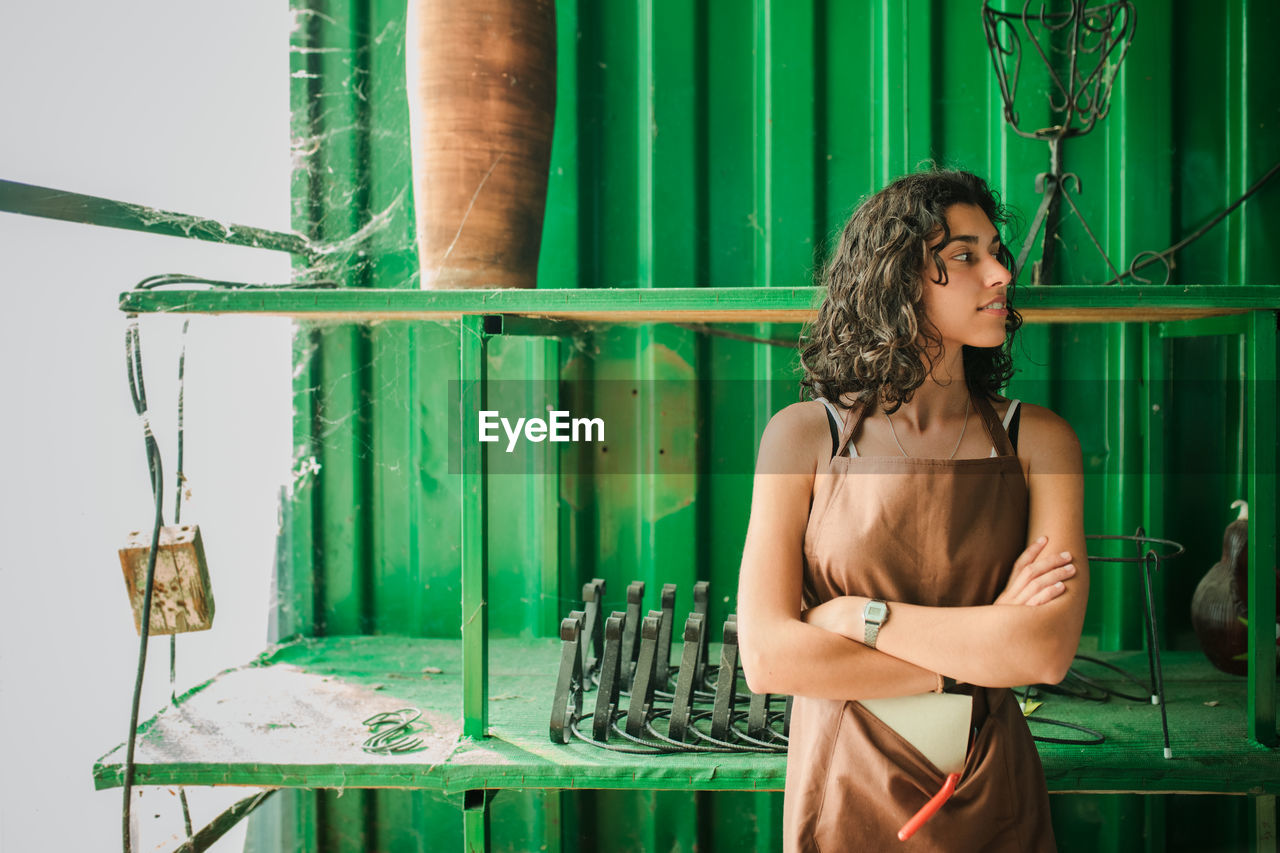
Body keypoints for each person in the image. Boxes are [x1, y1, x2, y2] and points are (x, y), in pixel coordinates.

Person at [736, 168, 1088, 852]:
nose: (1000, 275)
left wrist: (857, 620)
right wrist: (979, 653)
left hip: (991, 786)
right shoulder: (801, 436)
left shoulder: (1040, 441)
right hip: (844, 786)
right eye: (964, 256)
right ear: (898, 278)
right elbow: (770, 658)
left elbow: (1043, 650)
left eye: (996, 252)